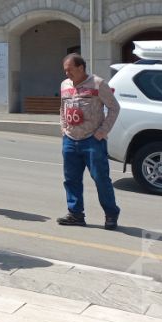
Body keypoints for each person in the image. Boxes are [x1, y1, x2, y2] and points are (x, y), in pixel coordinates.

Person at [57, 53, 121, 230]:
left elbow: (114, 108)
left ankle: (111, 214)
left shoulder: (98, 84)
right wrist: (63, 128)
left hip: (92, 140)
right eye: (65, 70)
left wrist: (102, 132)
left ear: (81, 68)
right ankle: (75, 214)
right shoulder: (64, 85)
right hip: (70, 139)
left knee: (101, 179)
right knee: (71, 179)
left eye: (70, 70)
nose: (67, 74)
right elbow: (62, 108)